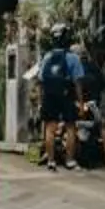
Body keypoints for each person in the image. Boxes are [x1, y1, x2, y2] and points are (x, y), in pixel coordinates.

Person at [34, 29, 88, 170]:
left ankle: (51, 161)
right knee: (70, 127)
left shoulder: (47, 57)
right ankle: (69, 160)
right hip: (66, 95)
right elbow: (78, 83)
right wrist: (81, 103)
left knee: (50, 128)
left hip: (50, 95)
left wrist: (40, 102)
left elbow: (39, 81)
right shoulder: (73, 58)